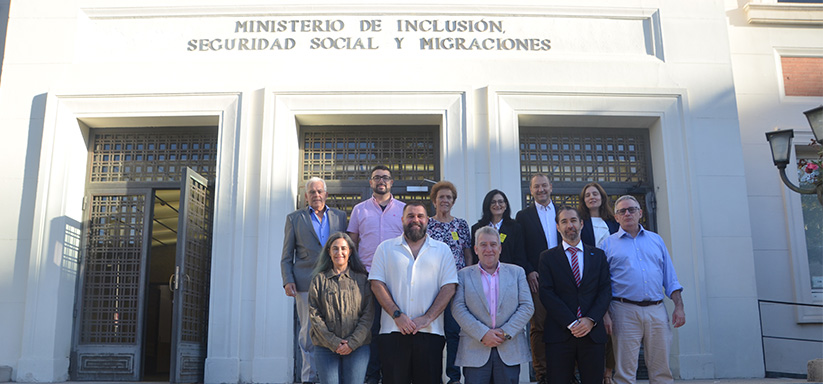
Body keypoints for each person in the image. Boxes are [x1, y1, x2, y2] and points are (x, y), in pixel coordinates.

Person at [368, 202, 459, 384]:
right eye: (410, 216)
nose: (415, 220)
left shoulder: (442, 250)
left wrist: (427, 318)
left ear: (427, 221)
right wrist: (397, 315)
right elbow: (377, 284)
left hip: (430, 332)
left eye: (420, 216)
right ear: (402, 220)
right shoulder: (385, 248)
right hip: (393, 331)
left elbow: (449, 287)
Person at [601, 196, 685, 384]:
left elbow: (670, 278)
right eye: (622, 211)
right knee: (625, 372)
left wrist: (679, 306)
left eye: (631, 209)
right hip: (623, 311)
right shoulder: (607, 245)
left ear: (640, 213)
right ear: (616, 217)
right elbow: (602, 284)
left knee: (661, 370)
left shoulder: (656, 240)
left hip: (656, 310)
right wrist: (605, 313)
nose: (627, 213)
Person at [281, 177, 348, 384]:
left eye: (320, 191)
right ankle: (309, 378)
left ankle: (330, 377)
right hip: (304, 283)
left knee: (335, 328)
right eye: (312, 192)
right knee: (308, 332)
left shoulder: (340, 217)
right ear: (306, 196)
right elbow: (286, 254)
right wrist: (287, 279)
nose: (316, 195)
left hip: (334, 281)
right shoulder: (294, 218)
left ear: (326, 194)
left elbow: (345, 249)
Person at [539, 206, 612, 384]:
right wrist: (571, 322)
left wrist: (590, 319)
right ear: (557, 227)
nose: (569, 225)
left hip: (592, 333)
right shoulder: (547, 257)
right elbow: (547, 293)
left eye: (573, 220)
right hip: (560, 333)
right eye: (564, 221)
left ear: (581, 223)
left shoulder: (598, 255)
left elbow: (605, 290)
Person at [452, 226, 534, 384]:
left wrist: (505, 332)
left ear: (500, 248)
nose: (488, 249)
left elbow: (527, 306)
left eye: (493, 244)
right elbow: (458, 308)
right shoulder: (463, 275)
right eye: (483, 245)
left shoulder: (517, 273)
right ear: (476, 249)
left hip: (509, 347)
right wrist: (483, 333)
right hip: (475, 348)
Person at [347, 165, 405, 384]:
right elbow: (352, 242)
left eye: (386, 178)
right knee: (369, 328)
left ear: (391, 182)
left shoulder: (403, 209)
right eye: (377, 177)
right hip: (367, 278)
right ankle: (371, 376)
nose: (381, 181)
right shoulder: (359, 209)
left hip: (395, 278)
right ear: (370, 182)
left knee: (393, 328)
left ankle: (392, 376)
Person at [308, 232, 374, 384]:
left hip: (358, 347)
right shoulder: (319, 280)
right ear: (329, 252)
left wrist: (351, 342)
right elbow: (314, 314)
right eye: (335, 249)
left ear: (350, 251)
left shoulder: (362, 280)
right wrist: (333, 342)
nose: (340, 253)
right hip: (325, 347)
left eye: (343, 248)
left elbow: (368, 314)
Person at [515, 174, 562, 384]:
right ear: (531, 190)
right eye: (536, 187)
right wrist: (529, 270)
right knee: (539, 326)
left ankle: (566, 371)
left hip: (565, 277)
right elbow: (520, 248)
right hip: (537, 278)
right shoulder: (523, 216)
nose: (541, 190)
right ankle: (542, 374)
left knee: (566, 323)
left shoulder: (563, 212)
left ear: (551, 187)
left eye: (544, 185)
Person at [425, 181, 472, 384]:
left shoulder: (461, 225)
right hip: (432, 286)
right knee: (433, 334)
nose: (445, 200)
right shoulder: (426, 223)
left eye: (449, 197)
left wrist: (465, 277)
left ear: (453, 201)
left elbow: (467, 253)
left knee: (453, 333)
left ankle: (453, 377)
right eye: (441, 197)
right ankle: (433, 376)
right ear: (434, 200)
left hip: (455, 286)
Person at [576, 182, 620, 384]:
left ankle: (608, 372)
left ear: (602, 197)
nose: (591, 197)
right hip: (589, 278)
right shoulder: (581, 222)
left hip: (614, 277)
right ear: (583, 201)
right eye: (587, 195)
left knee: (613, 328)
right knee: (595, 323)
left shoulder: (613, 222)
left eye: (595, 194)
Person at [470, 189, 528, 271]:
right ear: (487, 205)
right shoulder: (476, 228)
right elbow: (475, 256)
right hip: (484, 274)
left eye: (500, 202)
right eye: (493, 202)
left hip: (509, 274)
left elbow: (520, 255)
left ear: (506, 205)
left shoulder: (515, 227)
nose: (497, 205)